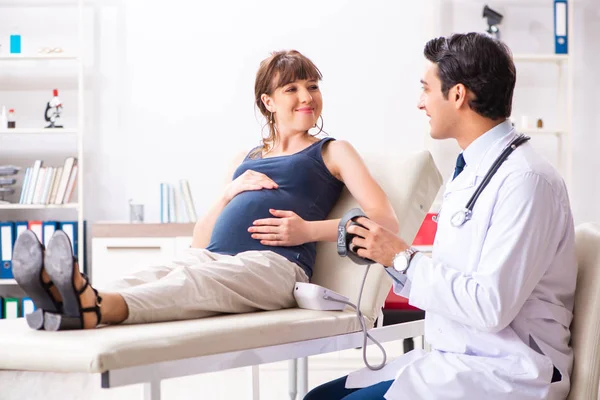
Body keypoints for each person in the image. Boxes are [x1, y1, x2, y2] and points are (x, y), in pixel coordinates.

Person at [12, 50, 399, 331]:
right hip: (210, 257)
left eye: (312, 86)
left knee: (191, 285)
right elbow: (200, 240)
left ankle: (96, 308)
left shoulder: (332, 150)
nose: (307, 97)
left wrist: (308, 231)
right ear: (268, 102)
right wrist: (228, 193)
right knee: (154, 272)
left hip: (275, 267)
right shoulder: (244, 157)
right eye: (292, 89)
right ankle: (65, 300)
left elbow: (385, 220)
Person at [305, 33, 576, 400]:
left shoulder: (526, 180)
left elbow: (489, 306)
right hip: (460, 358)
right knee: (318, 397)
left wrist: (402, 257)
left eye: (426, 89)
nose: (420, 103)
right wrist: (387, 257)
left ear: (458, 94)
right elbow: (458, 275)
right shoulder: (472, 170)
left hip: (511, 369)